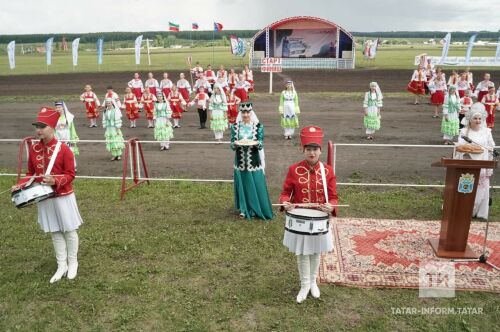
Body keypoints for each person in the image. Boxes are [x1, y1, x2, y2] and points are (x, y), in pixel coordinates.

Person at [12, 107, 83, 283]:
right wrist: (20, 185)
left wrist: (55, 181)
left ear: (52, 127)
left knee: (69, 230)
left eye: (42, 126)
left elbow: (70, 174)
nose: (38, 130)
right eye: (37, 126)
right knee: (55, 231)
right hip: (44, 197)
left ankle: (73, 263)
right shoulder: (34, 149)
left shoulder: (64, 149)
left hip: (63, 196)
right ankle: (61, 265)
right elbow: (31, 173)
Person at [279, 126, 338, 303]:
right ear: (303, 150)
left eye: (315, 149)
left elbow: (334, 197)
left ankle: (313, 282)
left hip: (319, 219)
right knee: (302, 253)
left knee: (316, 252)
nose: (312, 153)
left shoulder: (327, 171)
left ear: (320, 151)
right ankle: (304, 284)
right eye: (308, 149)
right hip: (300, 220)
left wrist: (331, 206)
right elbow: (285, 193)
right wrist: (285, 203)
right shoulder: (293, 169)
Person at [230, 102, 273, 220]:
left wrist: (256, 143)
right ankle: (244, 209)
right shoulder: (235, 127)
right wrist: (235, 144)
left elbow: (260, 144)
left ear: (251, 112)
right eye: (243, 112)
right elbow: (232, 145)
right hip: (239, 160)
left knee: (254, 182)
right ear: (240, 113)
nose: (245, 115)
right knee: (243, 183)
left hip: (253, 160)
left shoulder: (258, 127)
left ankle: (254, 208)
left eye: (247, 112)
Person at [454, 103, 495, 219]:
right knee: (467, 187)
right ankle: (466, 210)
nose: (477, 121)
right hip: (468, 164)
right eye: (475, 118)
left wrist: (488, 155)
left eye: (479, 119)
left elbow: (491, 146)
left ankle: (480, 213)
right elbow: (460, 147)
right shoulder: (463, 132)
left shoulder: (487, 131)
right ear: (470, 119)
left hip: (483, 163)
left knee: (482, 188)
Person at [54, 101, 79, 169]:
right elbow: (54, 129)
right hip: (58, 136)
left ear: (63, 108)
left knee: (69, 152)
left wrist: (73, 138)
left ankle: (73, 166)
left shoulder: (69, 117)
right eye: (56, 107)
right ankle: (63, 167)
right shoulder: (55, 117)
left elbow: (72, 129)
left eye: (59, 107)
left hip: (67, 135)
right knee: (59, 152)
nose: (58, 109)